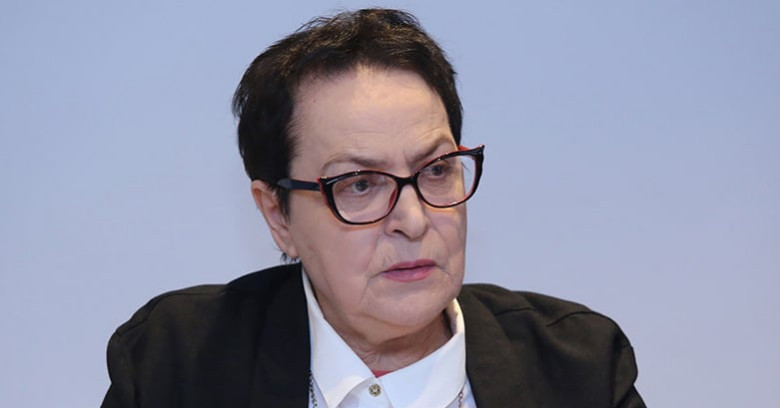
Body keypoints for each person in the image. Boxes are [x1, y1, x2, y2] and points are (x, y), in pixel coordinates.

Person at [101, 8, 645, 408]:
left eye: (436, 170)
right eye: (360, 184)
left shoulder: (578, 368)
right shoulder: (177, 364)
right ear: (277, 216)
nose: (413, 221)